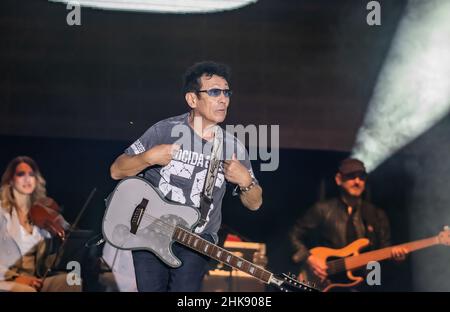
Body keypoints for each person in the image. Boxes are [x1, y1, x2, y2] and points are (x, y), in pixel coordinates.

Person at [109, 61, 263, 292]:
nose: (223, 99)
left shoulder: (233, 147)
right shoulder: (163, 130)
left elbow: (256, 203)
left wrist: (246, 181)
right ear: (192, 99)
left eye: (226, 92)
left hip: (197, 240)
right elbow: (116, 170)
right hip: (149, 232)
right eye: (214, 92)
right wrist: (148, 157)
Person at [289, 158, 407, 290]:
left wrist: (396, 259)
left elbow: (384, 253)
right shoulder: (322, 210)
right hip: (327, 283)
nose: (357, 181)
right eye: (351, 176)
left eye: (361, 177)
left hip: (365, 285)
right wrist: (309, 258)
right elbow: (294, 235)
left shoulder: (377, 215)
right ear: (339, 179)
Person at [0, 156, 81, 292]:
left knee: (71, 281)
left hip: (34, 279)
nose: (27, 178)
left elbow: (46, 264)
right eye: (21, 174)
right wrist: (17, 278)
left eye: (31, 174)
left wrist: (60, 242)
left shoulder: (41, 213)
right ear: (10, 180)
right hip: (5, 279)